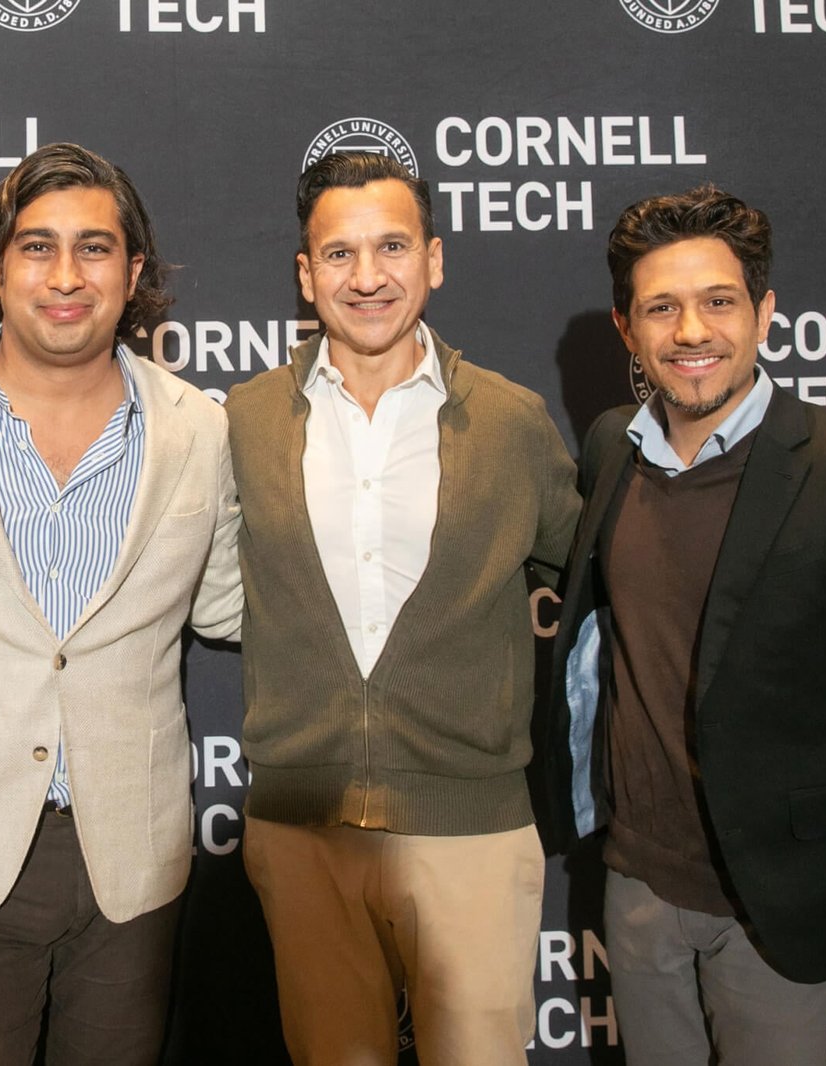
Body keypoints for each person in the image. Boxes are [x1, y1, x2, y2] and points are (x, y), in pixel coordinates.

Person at [538, 185, 826, 1066]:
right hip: (636, 894)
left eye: (719, 302)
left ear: (765, 313)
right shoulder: (613, 447)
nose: (692, 331)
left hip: (788, 917)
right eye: (662, 308)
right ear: (627, 329)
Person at [0, 142, 242, 1065]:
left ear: (133, 273)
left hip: (129, 860)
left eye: (95, 248)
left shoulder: (200, 428)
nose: (66, 277)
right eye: (37, 247)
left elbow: (233, 604)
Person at [224, 151, 582, 1066]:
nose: (367, 277)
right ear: (307, 275)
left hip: (473, 831)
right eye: (338, 254)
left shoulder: (510, 422)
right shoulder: (244, 419)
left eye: (391, 247)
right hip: (301, 831)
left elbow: (590, 586)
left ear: (434, 259)